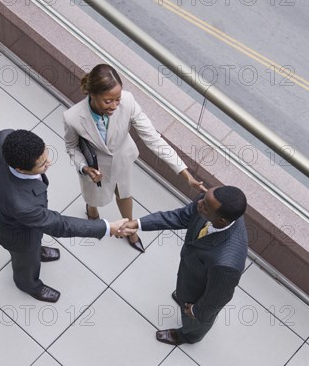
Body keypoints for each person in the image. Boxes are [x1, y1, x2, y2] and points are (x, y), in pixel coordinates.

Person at [63, 63, 204, 254]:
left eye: (117, 99)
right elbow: (71, 147)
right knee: (94, 197)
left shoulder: (128, 101)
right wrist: (84, 168)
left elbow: (153, 138)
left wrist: (185, 173)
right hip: (94, 170)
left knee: (125, 196)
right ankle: (92, 213)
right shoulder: (72, 117)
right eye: (107, 101)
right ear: (92, 94)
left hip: (122, 161)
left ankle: (130, 230)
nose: (114, 106)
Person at [0, 129, 135, 303]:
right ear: (20, 169)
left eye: (46, 155)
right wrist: (108, 227)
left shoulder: (4, 138)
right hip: (17, 235)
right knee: (25, 260)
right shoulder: (22, 206)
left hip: (22, 219)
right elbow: (60, 225)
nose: (49, 162)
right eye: (42, 164)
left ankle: (36, 250)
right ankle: (28, 284)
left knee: (34, 242)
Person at [120, 186, 248, 344]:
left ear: (221, 220)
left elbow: (217, 299)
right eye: (203, 199)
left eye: (204, 205)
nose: (198, 202)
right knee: (183, 293)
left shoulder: (227, 264)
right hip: (192, 272)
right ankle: (183, 297)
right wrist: (139, 224)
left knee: (197, 321)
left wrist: (195, 310)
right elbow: (181, 216)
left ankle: (188, 336)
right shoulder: (211, 203)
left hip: (200, 292)